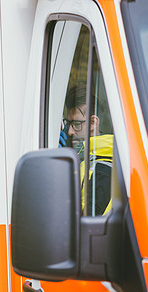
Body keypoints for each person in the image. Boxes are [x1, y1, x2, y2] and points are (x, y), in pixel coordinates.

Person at [59, 85, 113, 216]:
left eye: (76, 124)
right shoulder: (84, 158)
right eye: (68, 124)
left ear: (93, 122)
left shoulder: (103, 168)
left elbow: (85, 226)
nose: (70, 131)